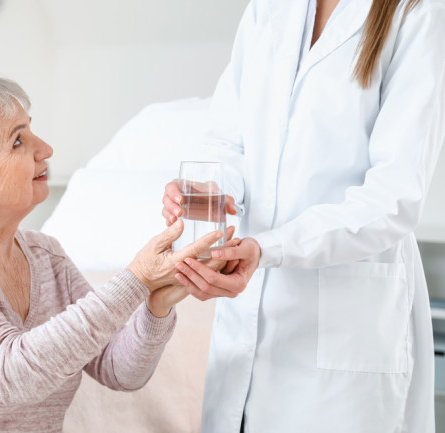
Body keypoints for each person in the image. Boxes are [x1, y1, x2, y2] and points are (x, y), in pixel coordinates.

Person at [0, 75, 235, 432]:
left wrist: (156, 304)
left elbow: (120, 371)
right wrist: (135, 279)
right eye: (17, 141)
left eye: (31, 131)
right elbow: (10, 375)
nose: (45, 149)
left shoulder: (45, 256)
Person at [162, 0, 444, 432]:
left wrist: (269, 248)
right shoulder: (269, 8)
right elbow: (227, 140)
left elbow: (394, 196)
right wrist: (207, 190)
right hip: (249, 314)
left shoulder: (418, 12)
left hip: (347, 327)